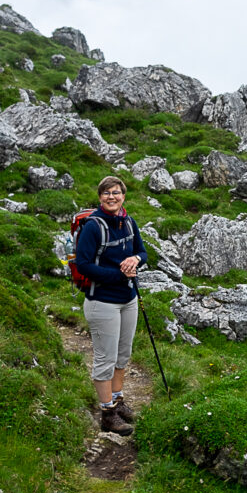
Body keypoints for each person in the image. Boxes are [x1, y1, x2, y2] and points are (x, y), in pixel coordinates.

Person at [75, 176, 148, 435]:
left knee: (122, 355)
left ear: (123, 196)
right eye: (106, 193)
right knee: (106, 359)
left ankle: (117, 401)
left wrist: (135, 259)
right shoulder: (93, 227)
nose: (111, 197)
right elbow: (83, 265)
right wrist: (119, 274)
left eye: (116, 192)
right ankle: (107, 413)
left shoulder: (129, 222)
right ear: (100, 197)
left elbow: (144, 252)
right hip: (102, 302)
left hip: (128, 300)